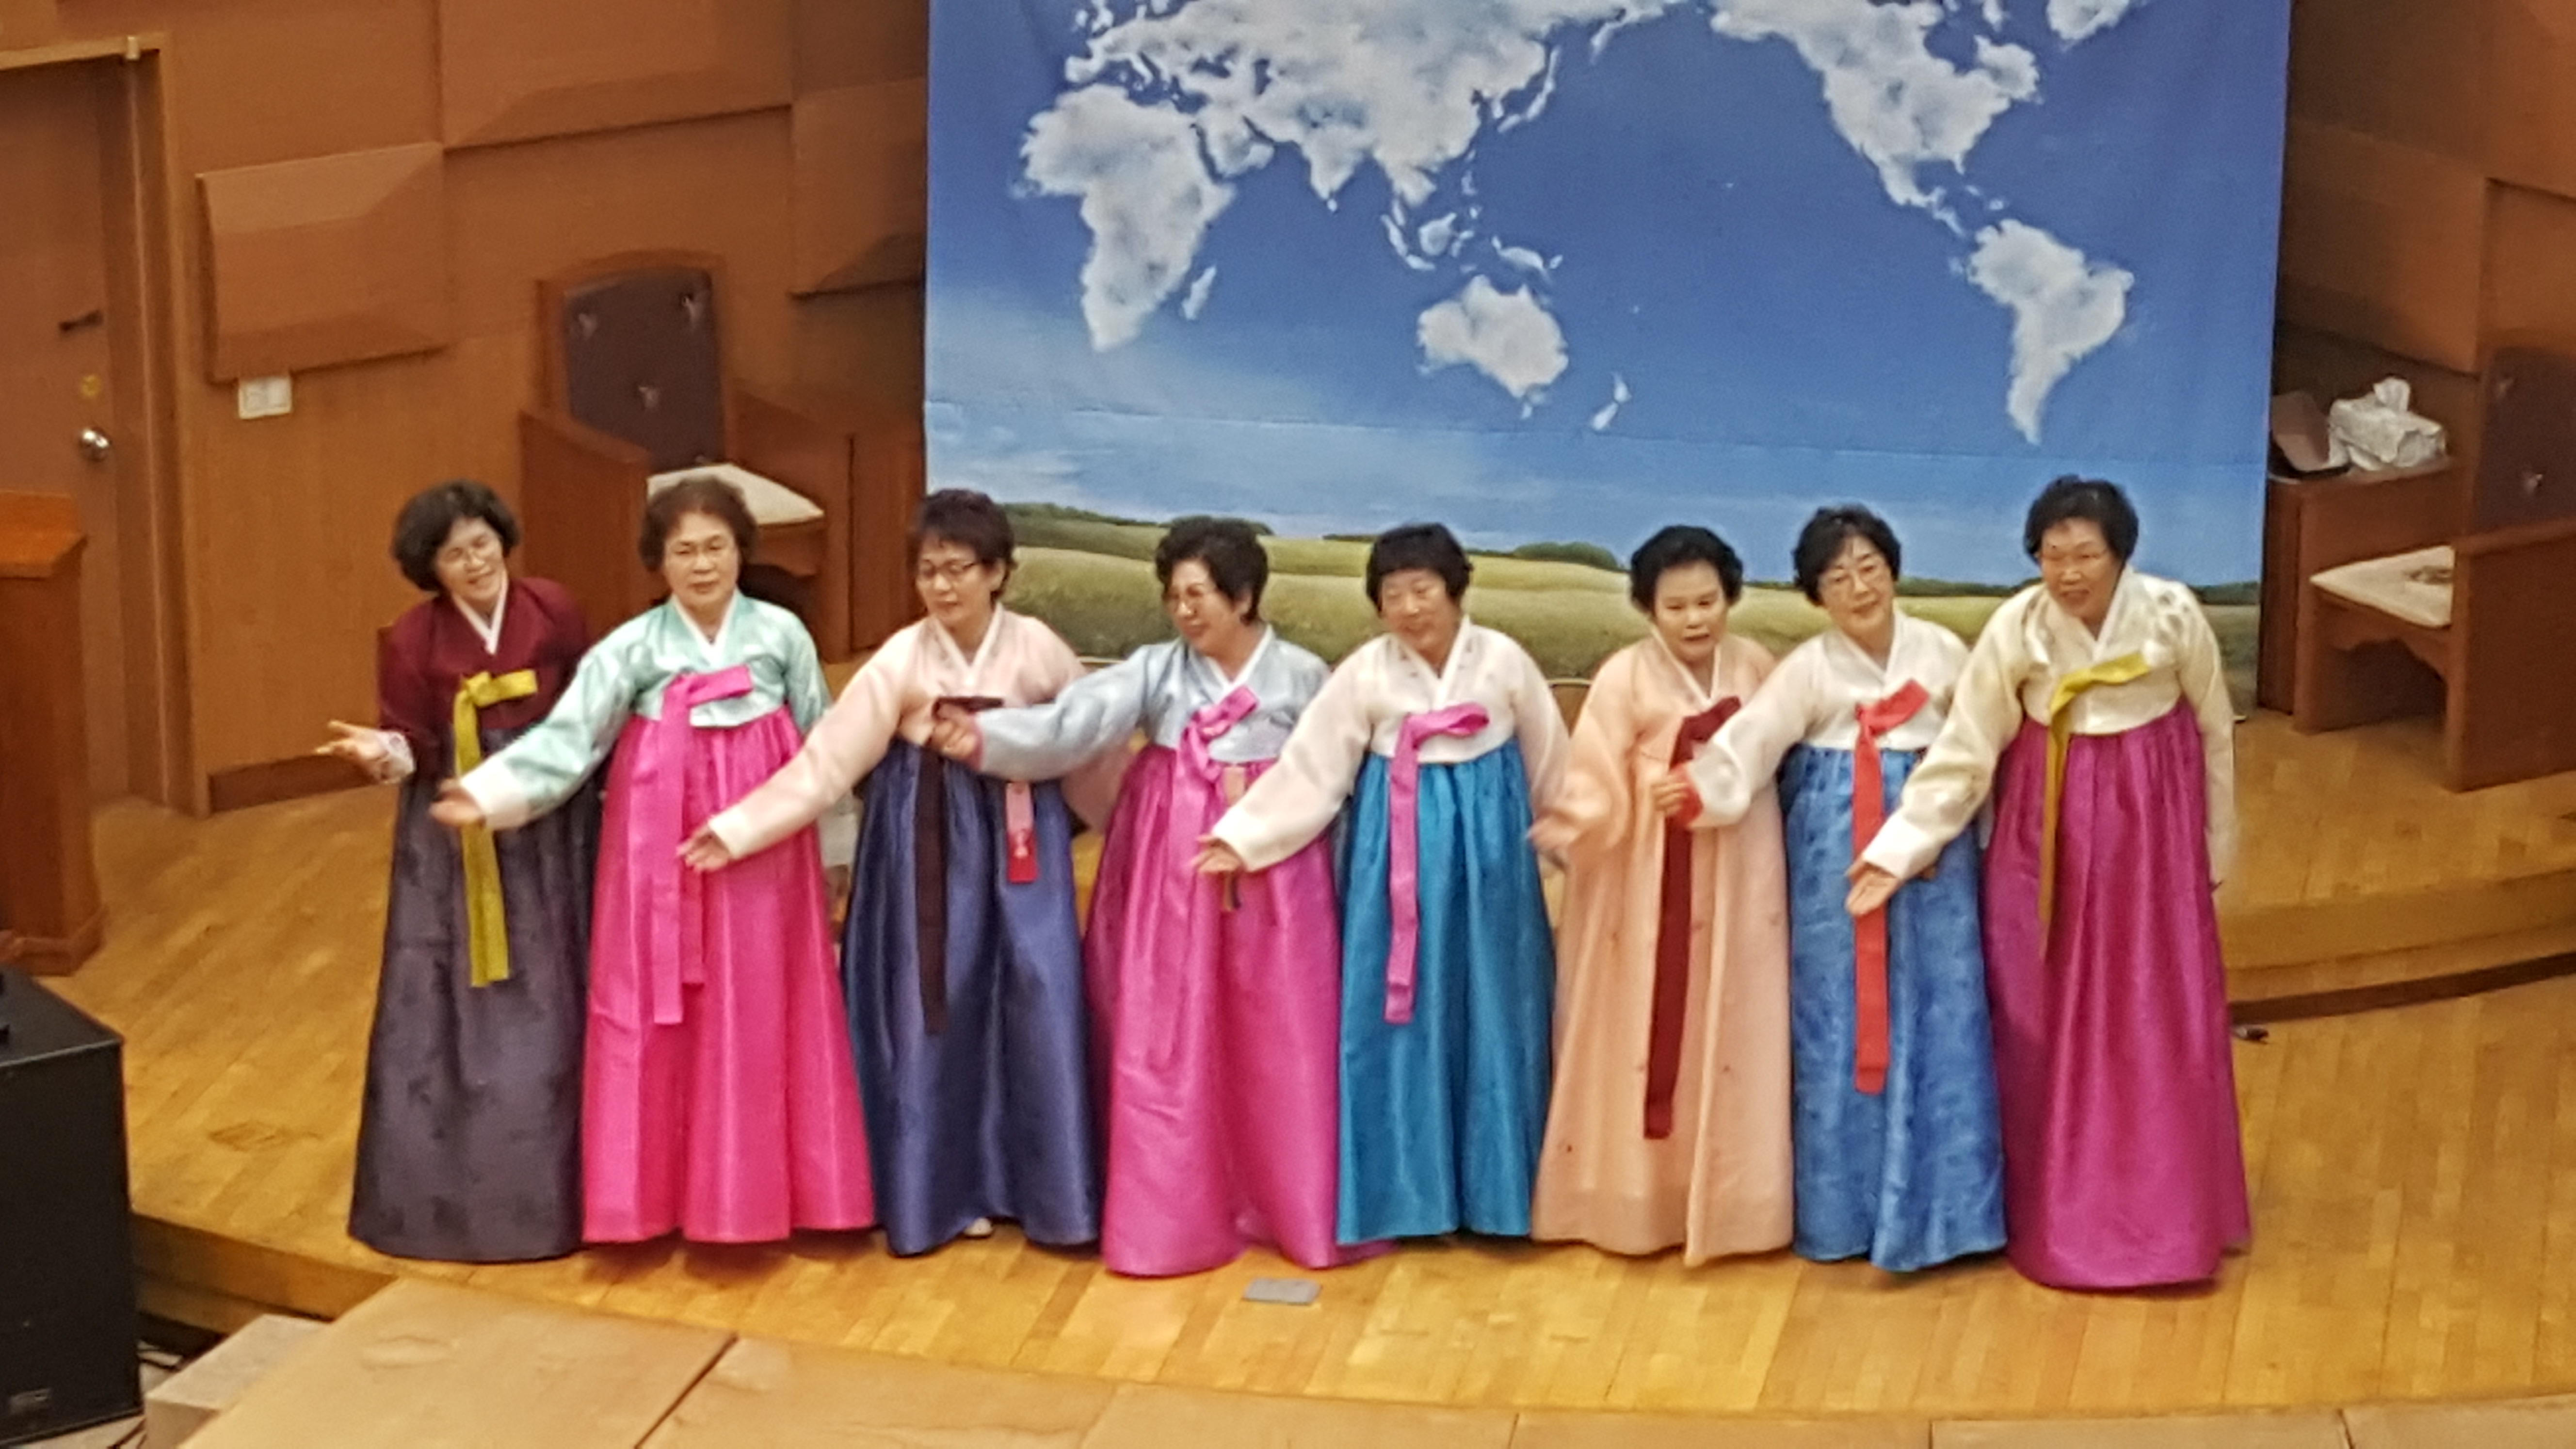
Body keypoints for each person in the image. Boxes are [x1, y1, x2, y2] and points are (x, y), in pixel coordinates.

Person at [431, 475, 874, 1245]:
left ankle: (773, 1196)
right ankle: (649, 1202)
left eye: (716, 548)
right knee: (651, 1006)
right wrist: (492, 791)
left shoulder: (782, 636)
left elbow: (826, 747)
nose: (703, 566)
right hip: (657, 851)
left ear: (742, 552)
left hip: (764, 849)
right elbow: (571, 737)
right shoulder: (632, 648)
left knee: (764, 998)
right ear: (658, 563)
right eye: (684, 552)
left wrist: (840, 852)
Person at [686, 489, 1109, 1257]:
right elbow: (828, 761)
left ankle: (1041, 1190)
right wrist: (741, 827)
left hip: (1021, 837)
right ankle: (940, 1193)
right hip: (928, 844)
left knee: (1038, 990)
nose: (942, 587)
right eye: (928, 571)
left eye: (959, 569)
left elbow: (1088, 742)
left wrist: (1130, 825)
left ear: (998, 573)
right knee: (933, 1002)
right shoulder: (903, 657)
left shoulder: (1040, 649)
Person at [935, 516, 1363, 1277]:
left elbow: (1328, 771)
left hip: (1276, 863)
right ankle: (1171, 1212)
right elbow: (1079, 718)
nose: (1185, 612)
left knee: (1280, 1021)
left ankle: (1286, 1201)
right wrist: (990, 739)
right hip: (1173, 858)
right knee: (1168, 1020)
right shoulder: (1156, 670)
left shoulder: (1302, 676)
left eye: (1199, 595)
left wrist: (1263, 829)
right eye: (1174, 597)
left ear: (1244, 597)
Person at [1850, 477, 2247, 1289]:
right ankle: (2060, 1214)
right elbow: (1967, 749)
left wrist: (2214, 845)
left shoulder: (2172, 616)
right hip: (2049, 838)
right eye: (2052, 555)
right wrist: (1901, 845)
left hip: (2150, 845)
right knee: (2040, 1012)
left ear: (2121, 554)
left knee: (2156, 1012)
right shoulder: (2019, 628)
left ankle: (2170, 1217)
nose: (2069, 573)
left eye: (2086, 555)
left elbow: (2214, 730)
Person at [1199, 522, 1565, 1243]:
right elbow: (1313, 768)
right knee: (1398, 1019)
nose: (1410, 608)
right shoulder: (1366, 673)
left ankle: (1502, 1197)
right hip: (1392, 867)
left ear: (1455, 591)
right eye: (1393, 595)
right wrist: (1244, 836)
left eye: (1423, 589)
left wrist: (1580, 838)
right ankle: (1407, 1198)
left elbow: (1553, 761)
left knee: (1499, 1008)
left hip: (1492, 868)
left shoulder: (1504, 661)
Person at [1680, 506, 2004, 1272]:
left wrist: (1964, 834)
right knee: (1835, 1020)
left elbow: (1981, 749)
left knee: (1943, 1012)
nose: (1860, 589)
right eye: (1837, 577)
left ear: (1893, 570)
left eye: (1870, 568)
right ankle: (1844, 1214)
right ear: (1815, 595)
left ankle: (1949, 1215)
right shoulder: (1809, 670)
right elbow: (1751, 744)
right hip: (1835, 858)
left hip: (1935, 858)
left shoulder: (1943, 652)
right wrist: (1698, 789)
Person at [322, 481, 596, 1262]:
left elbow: (593, 706)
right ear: (431, 569)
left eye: (482, 544)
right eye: (454, 555)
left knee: (561, 983)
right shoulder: (412, 640)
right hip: (456, 833)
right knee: (450, 1001)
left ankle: (581, 1196)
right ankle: (452, 1203)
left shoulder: (554, 611)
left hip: (552, 822)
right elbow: (409, 741)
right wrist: (382, 755)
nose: (475, 564)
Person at [1524, 525, 1791, 1264]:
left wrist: (1717, 783)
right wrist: (1580, 820)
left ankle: (1738, 1206)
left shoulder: (1756, 666)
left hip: (1740, 865)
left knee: (1735, 1016)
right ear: (1648, 609)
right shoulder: (1623, 677)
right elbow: (1592, 774)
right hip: (1646, 871)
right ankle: (1632, 1203)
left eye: (1708, 601)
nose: (1695, 619)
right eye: (1676, 606)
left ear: (1730, 598)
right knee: (1639, 1019)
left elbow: (1777, 752)